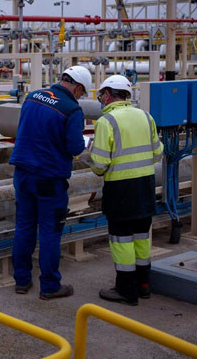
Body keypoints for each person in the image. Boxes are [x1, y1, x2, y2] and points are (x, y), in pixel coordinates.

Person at [9, 66, 92, 299]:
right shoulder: (71, 109)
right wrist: (85, 143)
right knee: (49, 232)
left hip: (22, 172)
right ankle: (49, 286)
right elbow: (74, 147)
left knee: (24, 227)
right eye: (82, 93)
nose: (80, 97)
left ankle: (21, 281)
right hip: (49, 178)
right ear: (77, 87)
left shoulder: (33, 96)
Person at [89, 75, 163, 306]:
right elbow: (157, 153)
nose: (101, 99)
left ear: (108, 95)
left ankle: (126, 291)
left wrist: (88, 155)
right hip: (146, 187)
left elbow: (99, 166)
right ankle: (143, 285)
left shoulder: (106, 122)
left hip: (120, 190)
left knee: (121, 241)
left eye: (102, 95)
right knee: (141, 237)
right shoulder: (146, 116)